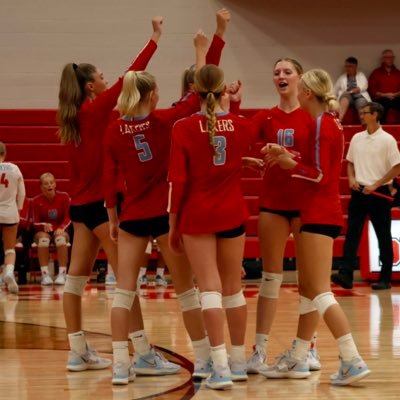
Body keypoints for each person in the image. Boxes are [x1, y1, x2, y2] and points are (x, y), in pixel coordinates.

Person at [103, 30, 215, 385]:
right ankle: (205, 360)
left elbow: (109, 181)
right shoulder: (165, 120)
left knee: (123, 293)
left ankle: (122, 365)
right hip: (166, 217)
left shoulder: (112, 130)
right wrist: (200, 49)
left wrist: (111, 218)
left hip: (131, 216)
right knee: (186, 293)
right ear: (153, 96)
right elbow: (200, 92)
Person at [57, 17, 162, 373]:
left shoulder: (70, 117)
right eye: (100, 76)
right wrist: (154, 39)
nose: (106, 79)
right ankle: (143, 352)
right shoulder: (93, 109)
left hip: (79, 208)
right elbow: (131, 77)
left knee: (74, 280)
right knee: (126, 282)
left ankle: (77, 351)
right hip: (102, 208)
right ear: (90, 87)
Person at [262, 69, 370, 386]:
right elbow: (315, 163)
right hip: (320, 213)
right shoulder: (326, 121)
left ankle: (351, 358)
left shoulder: (323, 122)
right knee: (309, 290)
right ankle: (297, 355)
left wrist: (289, 165)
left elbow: (320, 175)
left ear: (307, 92)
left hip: (319, 213)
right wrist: (287, 154)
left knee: (320, 291)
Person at [168, 63, 259, 390]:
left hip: (196, 215)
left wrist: (173, 224)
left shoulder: (182, 127)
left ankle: (217, 365)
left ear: (194, 90)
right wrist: (235, 106)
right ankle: (237, 362)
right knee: (233, 289)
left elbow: (177, 182)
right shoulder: (242, 124)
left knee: (208, 288)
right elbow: (236, 138)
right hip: (232, 213)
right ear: (223, 91)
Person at [229, 60, 321, 374]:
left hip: (306, 204)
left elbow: (317, 165)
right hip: (273, 204)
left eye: (287, 72)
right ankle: (260, 350)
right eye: (276, 72)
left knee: (310, 281)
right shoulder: (265, 116)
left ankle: (307, 348)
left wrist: (287, 159)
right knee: (271, 279)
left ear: (300, 78)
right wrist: (236, 105)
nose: (280, 76)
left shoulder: (313, 117)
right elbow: (236, 139)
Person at [331, 102, 400, 290]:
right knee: (352, 233)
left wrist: (376, 185)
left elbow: (397, 167)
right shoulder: (356, 138)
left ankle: (385, 278)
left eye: (365, 113)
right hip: (359, 192)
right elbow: (350, 162)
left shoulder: (387, 140)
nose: (361, 115)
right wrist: (352, 178)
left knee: (383, 235)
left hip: (379, 193)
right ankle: (346, 275)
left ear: (376, 115)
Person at [31, 172, 71, 285]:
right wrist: (44, 225)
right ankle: (45, 275)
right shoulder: (36, 201)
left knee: (61, 238)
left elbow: (68, 217)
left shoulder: (64, 197)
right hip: (43, 232)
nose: (49, 185)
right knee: (43, 240)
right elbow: (35, 222)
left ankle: (62, 274)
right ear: (41, 187)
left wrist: (62, 228)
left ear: (55, 184)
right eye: (46, 183)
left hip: (60, 230)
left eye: (51, 182)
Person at [0, 142, 25, 294]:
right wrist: (19, 209)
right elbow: (21, 192)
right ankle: (9, 272)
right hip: (10, 212)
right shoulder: (14, 168)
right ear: (5, 153)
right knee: (10, 249)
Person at [334, 57, 371, 122]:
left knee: (361, 102)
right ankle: (339, 120)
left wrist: (352, 91)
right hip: (347, 96)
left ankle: (364, 122)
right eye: (346, 66)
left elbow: (364, 86)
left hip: (359, 96)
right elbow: (335, 90)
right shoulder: (342, 77)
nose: (347, 68)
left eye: (350, 66)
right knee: (345, 97)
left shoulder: (361, 75)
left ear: (355, 67)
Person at [368, 49, 400, 123]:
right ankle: (381, 129)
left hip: (396, 98)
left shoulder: (398, 73)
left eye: (392, 57)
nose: (390, 60)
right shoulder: (376, 73)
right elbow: (372, 90)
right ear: (383, 59)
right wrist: (385, 95)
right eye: (388, 58)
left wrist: (395, 94)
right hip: (382, 99)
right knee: (381, 106)